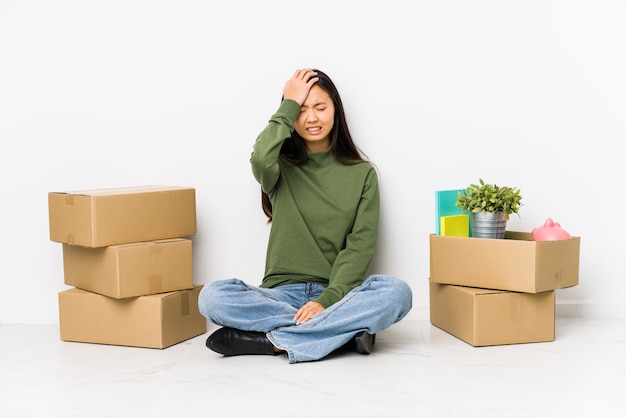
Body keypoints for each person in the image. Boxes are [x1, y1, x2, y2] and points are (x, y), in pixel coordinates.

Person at [198, 68, 412, 364]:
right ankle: (344, 334)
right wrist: (289, 102)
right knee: (212, 297)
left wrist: (327, 301)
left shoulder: (363, 174)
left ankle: (271, 342)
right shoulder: (278, 167)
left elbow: (359, 247)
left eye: (320, 107)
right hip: (279, 296)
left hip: (337, 295)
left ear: (336, 109)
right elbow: (260, 156)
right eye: (301, 110)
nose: (311, 118)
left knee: (397, 293)